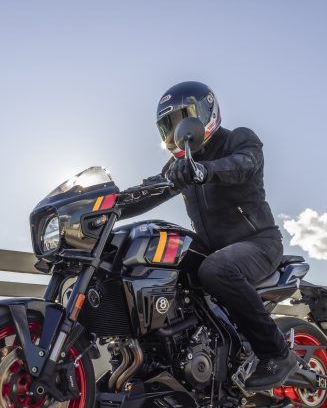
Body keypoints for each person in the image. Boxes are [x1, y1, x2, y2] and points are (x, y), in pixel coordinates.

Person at [120, 81, 296, 390]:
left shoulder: (239, 139)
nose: (178, 132)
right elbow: (148, 190)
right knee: (157, 259)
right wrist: (109, 205)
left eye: (183, 120)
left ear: (206, 112)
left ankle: (277, 354)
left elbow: (243, 165)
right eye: (169, 126)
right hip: (213, 249)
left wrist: (204, 170)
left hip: (258, 243)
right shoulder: (179, 166)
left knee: (216, 269)